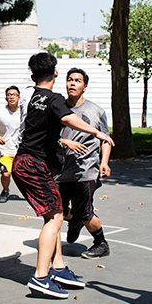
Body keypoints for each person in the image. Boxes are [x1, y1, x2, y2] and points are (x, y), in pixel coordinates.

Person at [12, 52, 114, 299]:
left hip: (25, 163)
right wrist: (97, 133)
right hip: (34, 164)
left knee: (53, 216)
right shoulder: (54, 99)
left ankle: (57, 268)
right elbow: (69, 119)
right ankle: (41, 276)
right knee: (56, 216)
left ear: (32, 74)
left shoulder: (32, 95)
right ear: (56, 73)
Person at [57, 68, 112, 260]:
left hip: (87, 170)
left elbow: (106, 139)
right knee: (59, 209)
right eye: (69, 80)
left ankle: (101, 243)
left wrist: (104, 162)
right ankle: (74, 221)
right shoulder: (58, 109)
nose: (72, 83)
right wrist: (66, 142)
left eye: (77, 81)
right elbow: (49, 137)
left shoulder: (95, 111)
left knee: (85, 211)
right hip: (62, 171)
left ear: (84, 86)